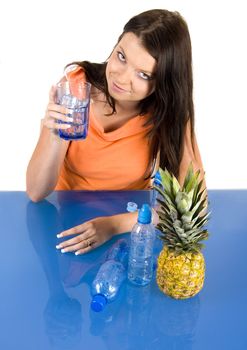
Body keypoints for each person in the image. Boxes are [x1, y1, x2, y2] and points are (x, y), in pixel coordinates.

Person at [26, 9, 205, 255]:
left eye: (143, 74)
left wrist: (113, 225)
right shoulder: (77, 89)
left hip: (134, 228)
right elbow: (36, 192)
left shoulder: (167, 114)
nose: (121, 77)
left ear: (164, 81)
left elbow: (194, 206)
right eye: (121, 56)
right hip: (69, 225)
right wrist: (54, 134)